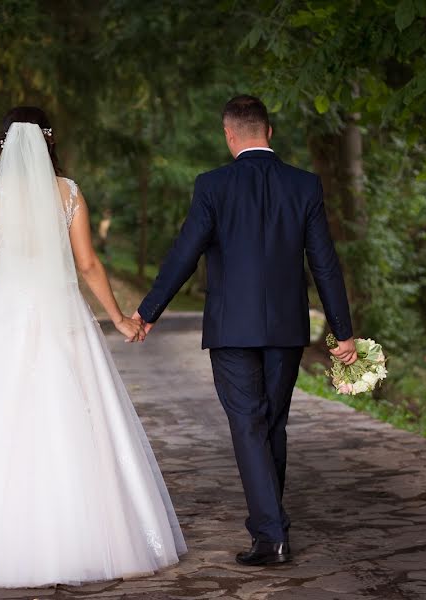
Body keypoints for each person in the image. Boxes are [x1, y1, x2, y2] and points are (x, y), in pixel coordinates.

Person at [0, 106, 187, 588]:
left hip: (4, 318)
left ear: (4, 144)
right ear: (48, 142)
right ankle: (82, 535)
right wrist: (119, 317)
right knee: (75, 419)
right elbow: (89, 263)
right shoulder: (69, 192)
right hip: (62, 318)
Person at [133, 95, 358, 566]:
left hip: (231, 328)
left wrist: (149, 310)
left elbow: (184, 253)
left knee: (249, 424)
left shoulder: (212, 186)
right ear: (269, 132)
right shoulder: (305, 186)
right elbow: (325, 265)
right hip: (287, 327)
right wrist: (344, 330)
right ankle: (269, 525)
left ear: (229, 135)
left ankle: (271, 535)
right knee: (270, 423)